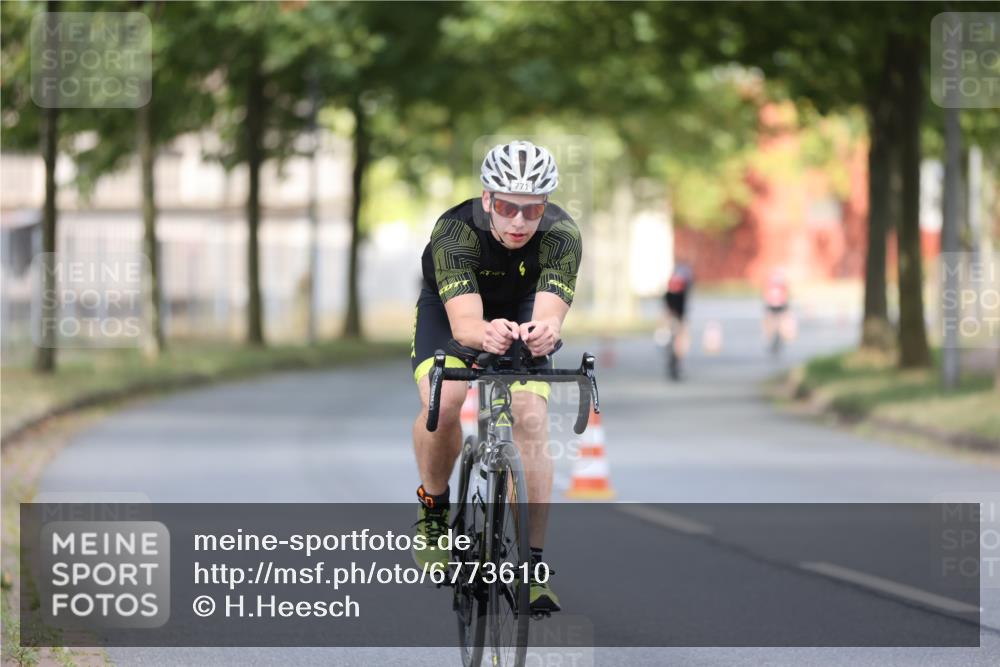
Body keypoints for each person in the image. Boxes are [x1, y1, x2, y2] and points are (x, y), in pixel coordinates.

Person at [409, 140, 582, 613]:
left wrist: (545, 334)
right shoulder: (455, 231)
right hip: (453, 313)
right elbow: (467, 327)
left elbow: (549, 315)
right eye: (507, 207)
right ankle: (433, 510)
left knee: (529, 417)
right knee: (443, 402)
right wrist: (485, 335)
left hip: (520, 307)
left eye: (532, 210)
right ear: (487, 199)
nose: (519, 222)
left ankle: (532, 568)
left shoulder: (562, 234)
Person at [660, 263, 693, 379]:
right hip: (675, 319)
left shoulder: (675, 290)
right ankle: (674, 364)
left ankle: (675, 364)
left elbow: (674, 308)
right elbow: (669, 308)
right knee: (675, 344)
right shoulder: (676, 291)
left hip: (676, 319)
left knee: (676, 344)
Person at [762, 268, 790, 353]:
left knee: (777, 324)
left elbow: (784, 296)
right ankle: (775, 337)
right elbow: (767, 296)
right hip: (774, 306)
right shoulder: (773, 286)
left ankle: (777, 336)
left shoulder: (779, 286)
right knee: (773, 324)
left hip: (778, 306)